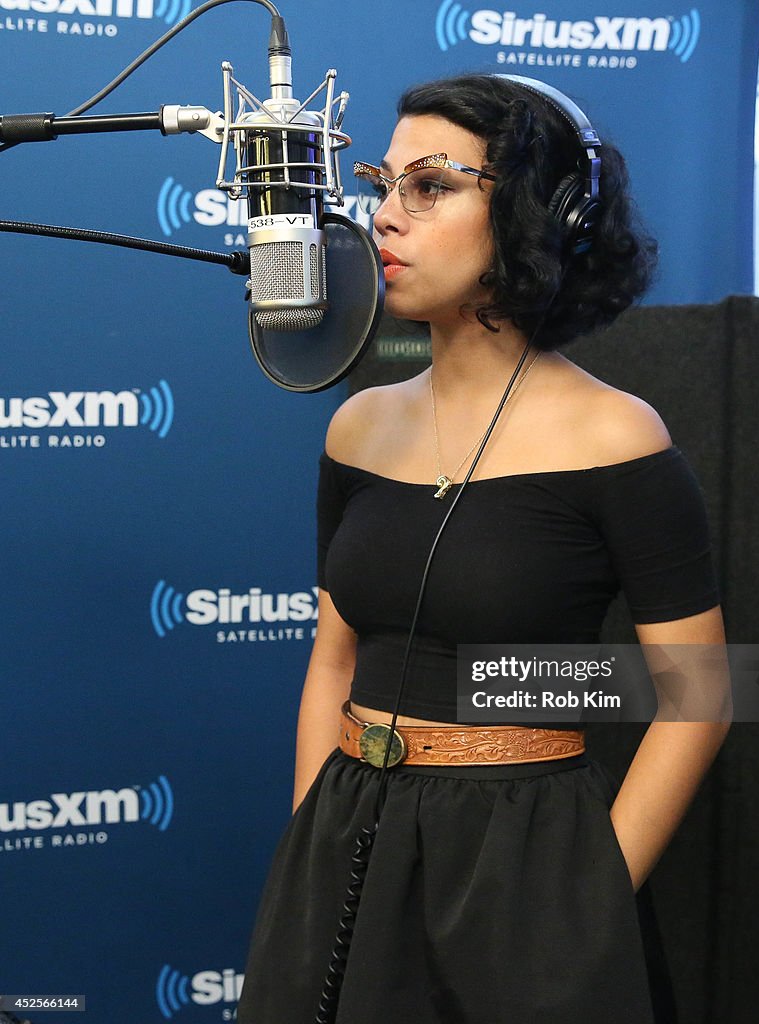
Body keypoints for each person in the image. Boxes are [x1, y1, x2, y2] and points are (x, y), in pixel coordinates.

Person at [237, 73, 731, 1024]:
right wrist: (310, 843)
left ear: (541, 213)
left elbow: (698, 695)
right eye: (383, 183)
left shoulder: (616, 438)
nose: (385, 217)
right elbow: (332, 660)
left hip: (525, 860)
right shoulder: (356, 428)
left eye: (430, 186)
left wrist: (585, 900)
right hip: (346, 839)